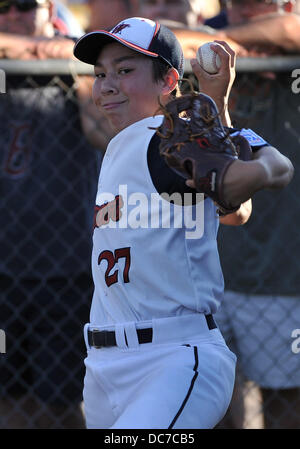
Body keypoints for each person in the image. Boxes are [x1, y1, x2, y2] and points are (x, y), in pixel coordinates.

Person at [73, 16, 293, 429]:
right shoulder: (130, 144)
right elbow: (233, 213)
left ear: (168, 80)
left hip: (171, 359)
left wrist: (254, 162)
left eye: (124, 70)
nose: (107, 85)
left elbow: (255, 180)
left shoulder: (165, 137)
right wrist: (219, 113)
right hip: (105, 363)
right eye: (100, 74)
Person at [0, 0, 102, 428]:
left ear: (49, 9)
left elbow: (102, 130)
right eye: (4, 8)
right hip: (4, 269)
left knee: (60, 406)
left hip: (65, 268)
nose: (15, 15)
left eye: (26, 5)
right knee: (9, 399)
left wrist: (65, 56)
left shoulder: (74, 64)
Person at [208, 0, 300, 429]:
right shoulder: (207, 34)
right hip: (212, 270)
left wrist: (224, 47)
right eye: (233, 2)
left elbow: (291, 31)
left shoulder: (284, 44)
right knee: (217, 398)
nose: (239, 8)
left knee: (284, 402)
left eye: (253, 2)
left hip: (284, 272)